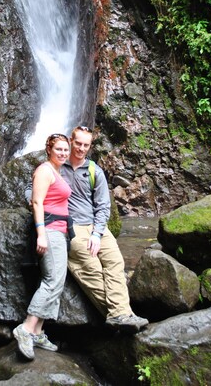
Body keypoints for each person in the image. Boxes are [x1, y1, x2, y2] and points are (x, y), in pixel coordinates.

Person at [60, 125, 149, 331]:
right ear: (70, 141)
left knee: (115, 262)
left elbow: (103, 206)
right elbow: (33, 187)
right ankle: (119, 314)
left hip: (94, 225)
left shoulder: (94, 171)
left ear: (90, 147)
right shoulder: (56, 167)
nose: (81, 148)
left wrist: (97, 234)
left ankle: (120, 315)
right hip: (71, 227)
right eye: (78, 143)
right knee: (91, 268)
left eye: (85, 145)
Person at [13, 133, 72, 360]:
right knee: (52, 281)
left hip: (59, 230)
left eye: (65, 150)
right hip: (49, 230)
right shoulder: (45, 170)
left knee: (56, 281)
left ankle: (38, 332)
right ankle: (26, 328)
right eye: (59, 149)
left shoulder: (56, 171)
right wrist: (41, 234)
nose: (63, 153)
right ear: (49, 149)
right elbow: (36, 202)